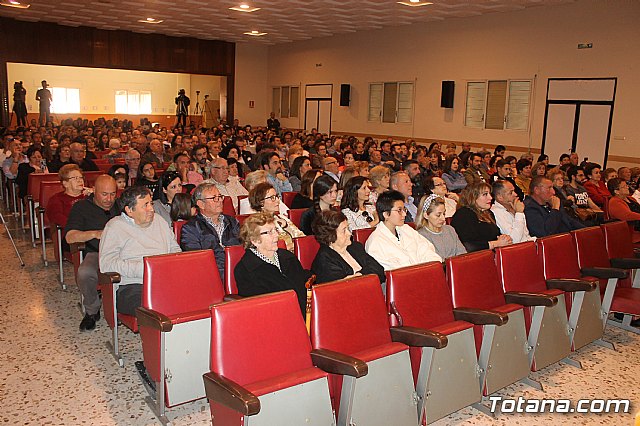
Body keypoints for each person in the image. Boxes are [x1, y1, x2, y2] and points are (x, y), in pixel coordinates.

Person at [100, 186, 181, 316]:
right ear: (130, 210)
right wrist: (144, 269)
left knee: (195, 295)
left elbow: (175, 249)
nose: (151, 209)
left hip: (164, 279)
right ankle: (163, 335)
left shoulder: (159, 221)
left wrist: (170, 266)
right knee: (157, 305)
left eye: (151, 203)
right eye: (145, 205)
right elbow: (106, 264)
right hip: (132, 285)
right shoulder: (114, 227)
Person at [65, 175, 118, 331]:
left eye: (113, 194)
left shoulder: (121, 205)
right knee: (84, 272)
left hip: (122, 252)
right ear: (94, 191)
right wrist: (94, 234)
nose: (109, 199)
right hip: (97, 253)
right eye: (104, 194)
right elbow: (70, 236)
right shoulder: (81, 207)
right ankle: (92, 311)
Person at [235, 212, 311, 315]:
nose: (276, 235)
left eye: (275, 230)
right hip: (274, 319)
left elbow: (302, 282)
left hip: (304, 314)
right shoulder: (246, 269)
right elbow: (257, 308)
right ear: (255, 240)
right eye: (269, 232)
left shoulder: (287, 257)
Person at [366, 190, 442, 270]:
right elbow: (393, 272)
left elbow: (427, 249)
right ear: (386, 214)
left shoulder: (406, 229)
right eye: (399, 210)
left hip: (424, 274)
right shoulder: (375, 242)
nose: (404, 214)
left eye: (404, 209)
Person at [180, 183, 241, 278]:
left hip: (239, 270)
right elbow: (197, 260)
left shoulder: (232, 222)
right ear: (201, 204)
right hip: (211, 274)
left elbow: (244, 247)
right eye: (214, 198)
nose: (220, 201)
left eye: (220, 197)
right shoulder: (191, 228)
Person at [311, 210, 385, 284]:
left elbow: (379, 270)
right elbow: (345, 287)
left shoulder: (355, 247)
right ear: (330, 236)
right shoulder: (324, 260)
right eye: (344, 230)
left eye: (348, 228)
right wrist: (367, 274)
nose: (349, 233)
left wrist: (358, 275)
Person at [451, 182, 512, 252]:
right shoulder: (463, 215)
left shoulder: (488, 213)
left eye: (489, 194)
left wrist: (504, 238)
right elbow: (467, 245)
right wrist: (495, 243)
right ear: (472, 197)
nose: (490, 198)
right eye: (485, 194)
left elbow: (494, 235)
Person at [46, 164, 91, 251]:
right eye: (75, 178)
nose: (79, 181)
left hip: (92, 232)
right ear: (65, 183)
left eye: (81, 178)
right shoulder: (56, 199)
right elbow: (58, 219)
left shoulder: (89, 197)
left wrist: (95, 196)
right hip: (71, 236)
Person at [249, 182, 304, 251]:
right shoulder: (257, 224)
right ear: (261, 202)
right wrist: (291, 246)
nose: (278, 201)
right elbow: (267, 250)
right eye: (272, 198)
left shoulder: (281, 217)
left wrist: (287, 227)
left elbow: (302, 237)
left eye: (277, 196)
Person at [416, 194, 466, 260]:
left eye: (444, 214)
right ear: (426, 215)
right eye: (438, 215)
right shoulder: (420, 235)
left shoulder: (450, 230)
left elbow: (463, 254)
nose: (443, 218)